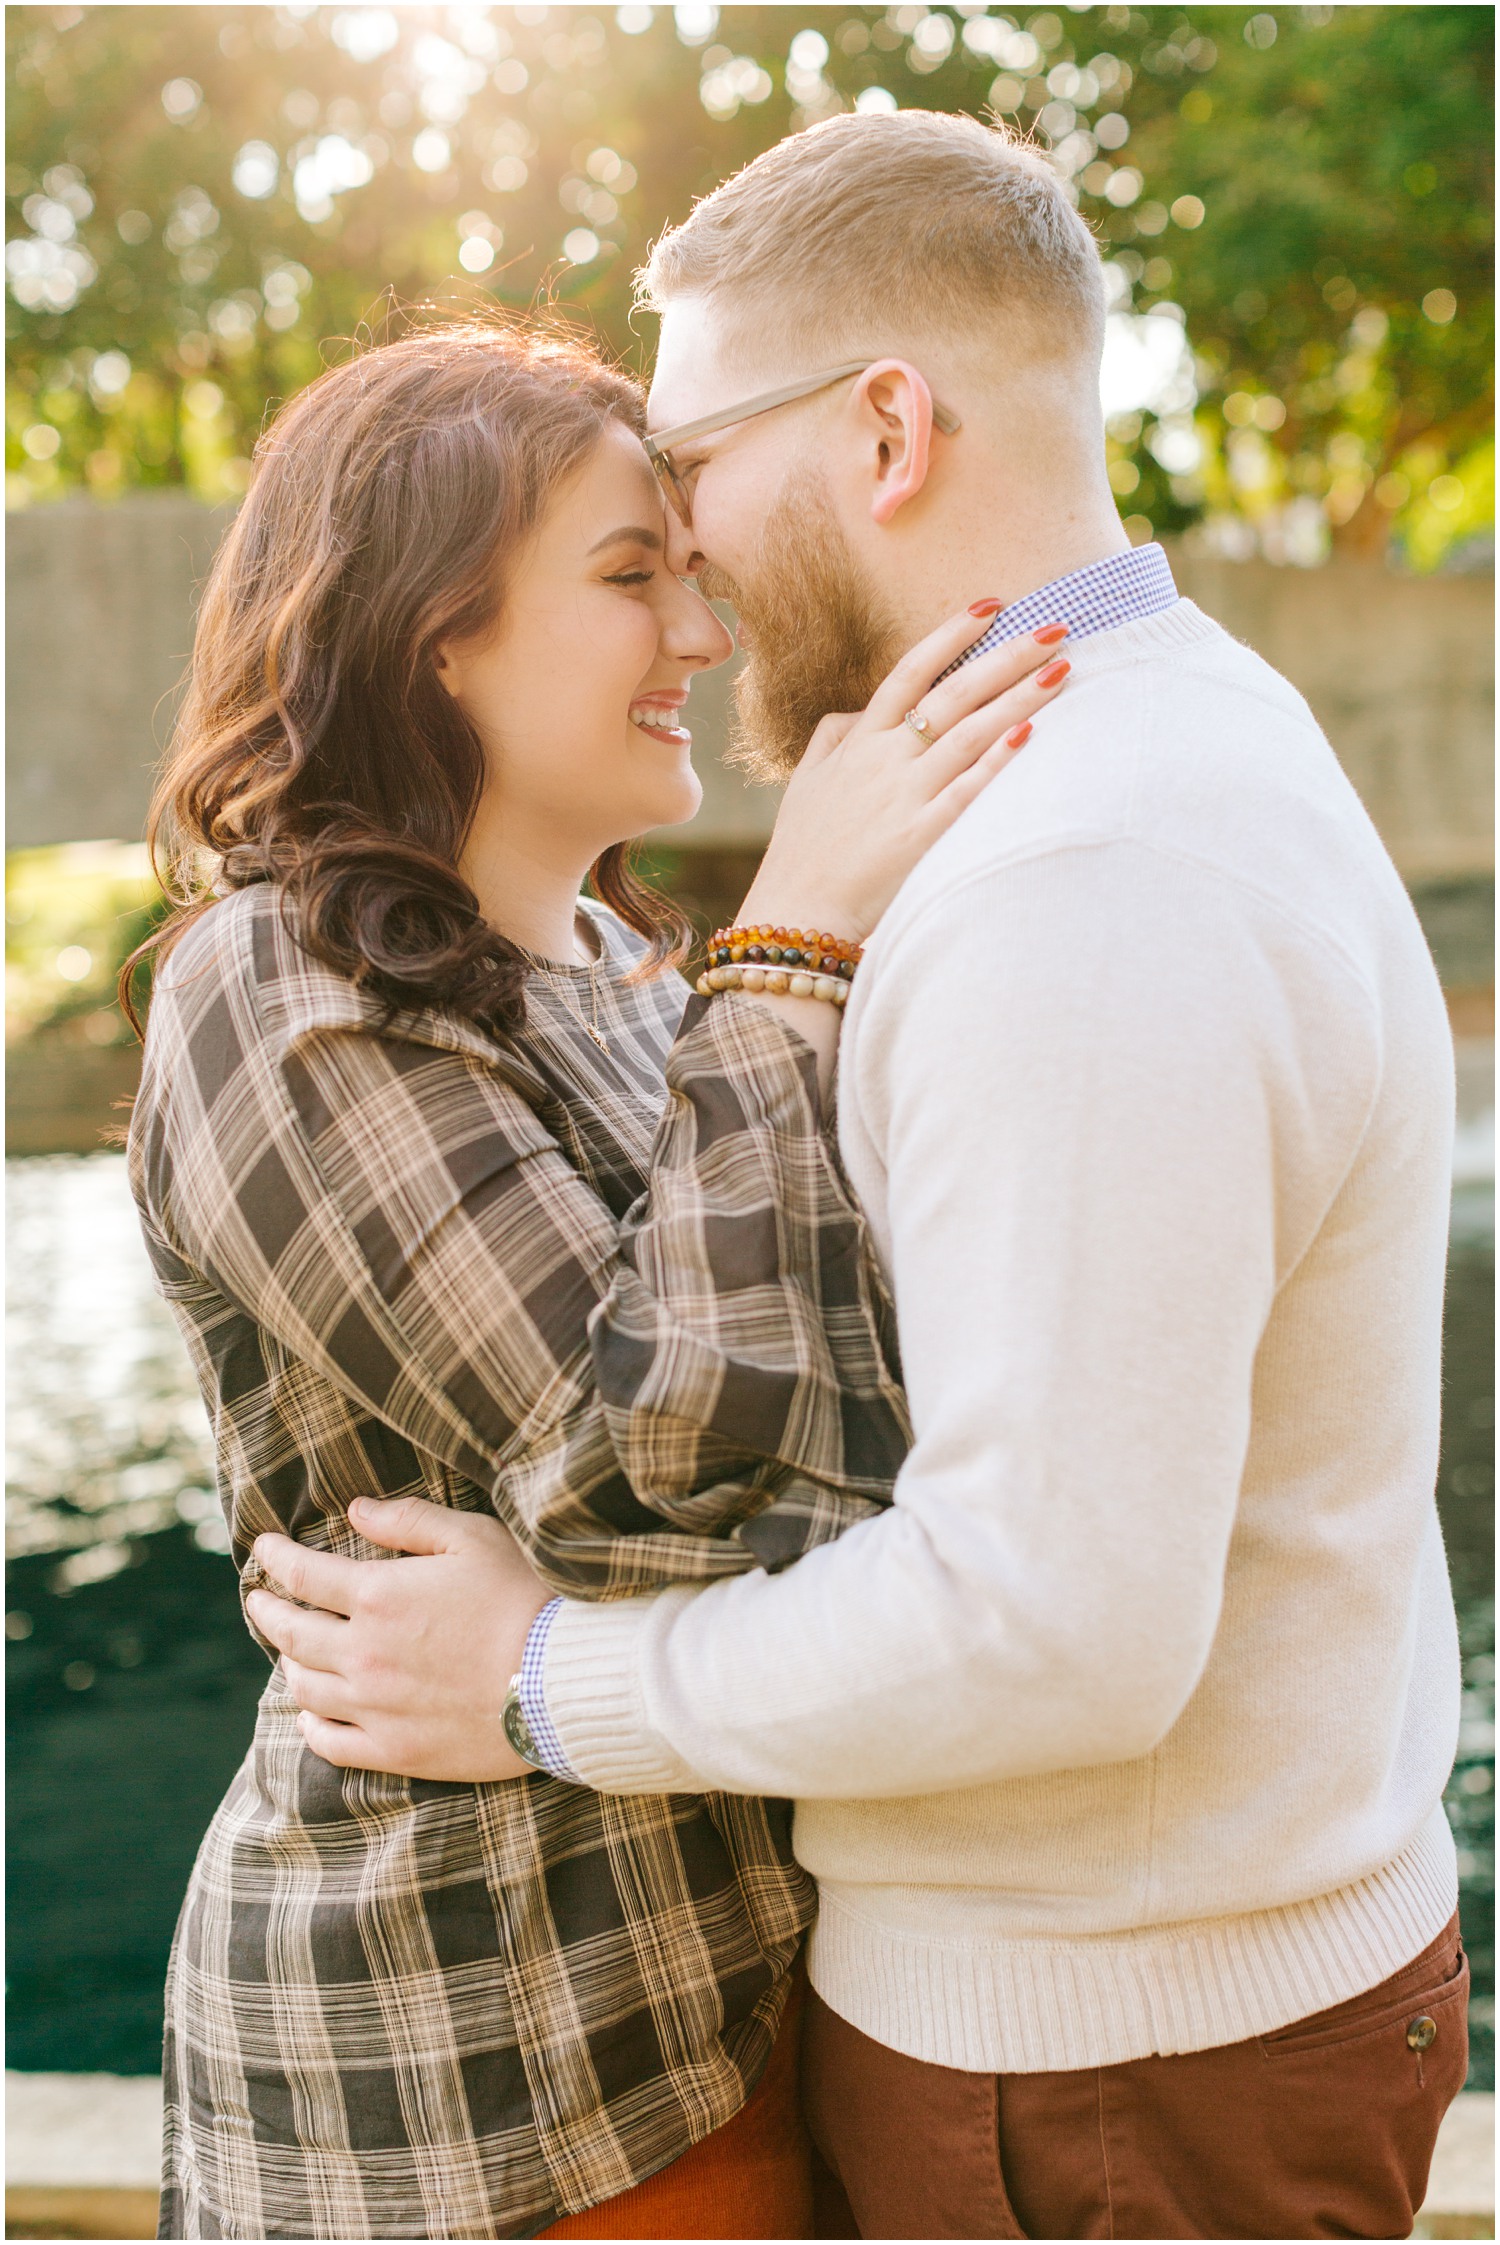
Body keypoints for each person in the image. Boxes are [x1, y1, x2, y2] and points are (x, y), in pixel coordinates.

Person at [253, 113, 1470, 2241]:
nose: (692, 572)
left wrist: (539, 1681)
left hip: (1096, 2072)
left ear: (886, 428)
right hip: (1152, 2018)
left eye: (695, 467)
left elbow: (1055, 1618)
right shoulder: (1161, 746)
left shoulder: (1078, 872)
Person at [123, 313, 1065, 2241]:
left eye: (691, 577)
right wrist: (797, 938)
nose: (704, 643)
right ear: (427, 628)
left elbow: (859, 1451)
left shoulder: (650, 985)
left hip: (738, 2003)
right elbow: (647, 1480)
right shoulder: (276, 987)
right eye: (631, 579)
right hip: (476, 2092)